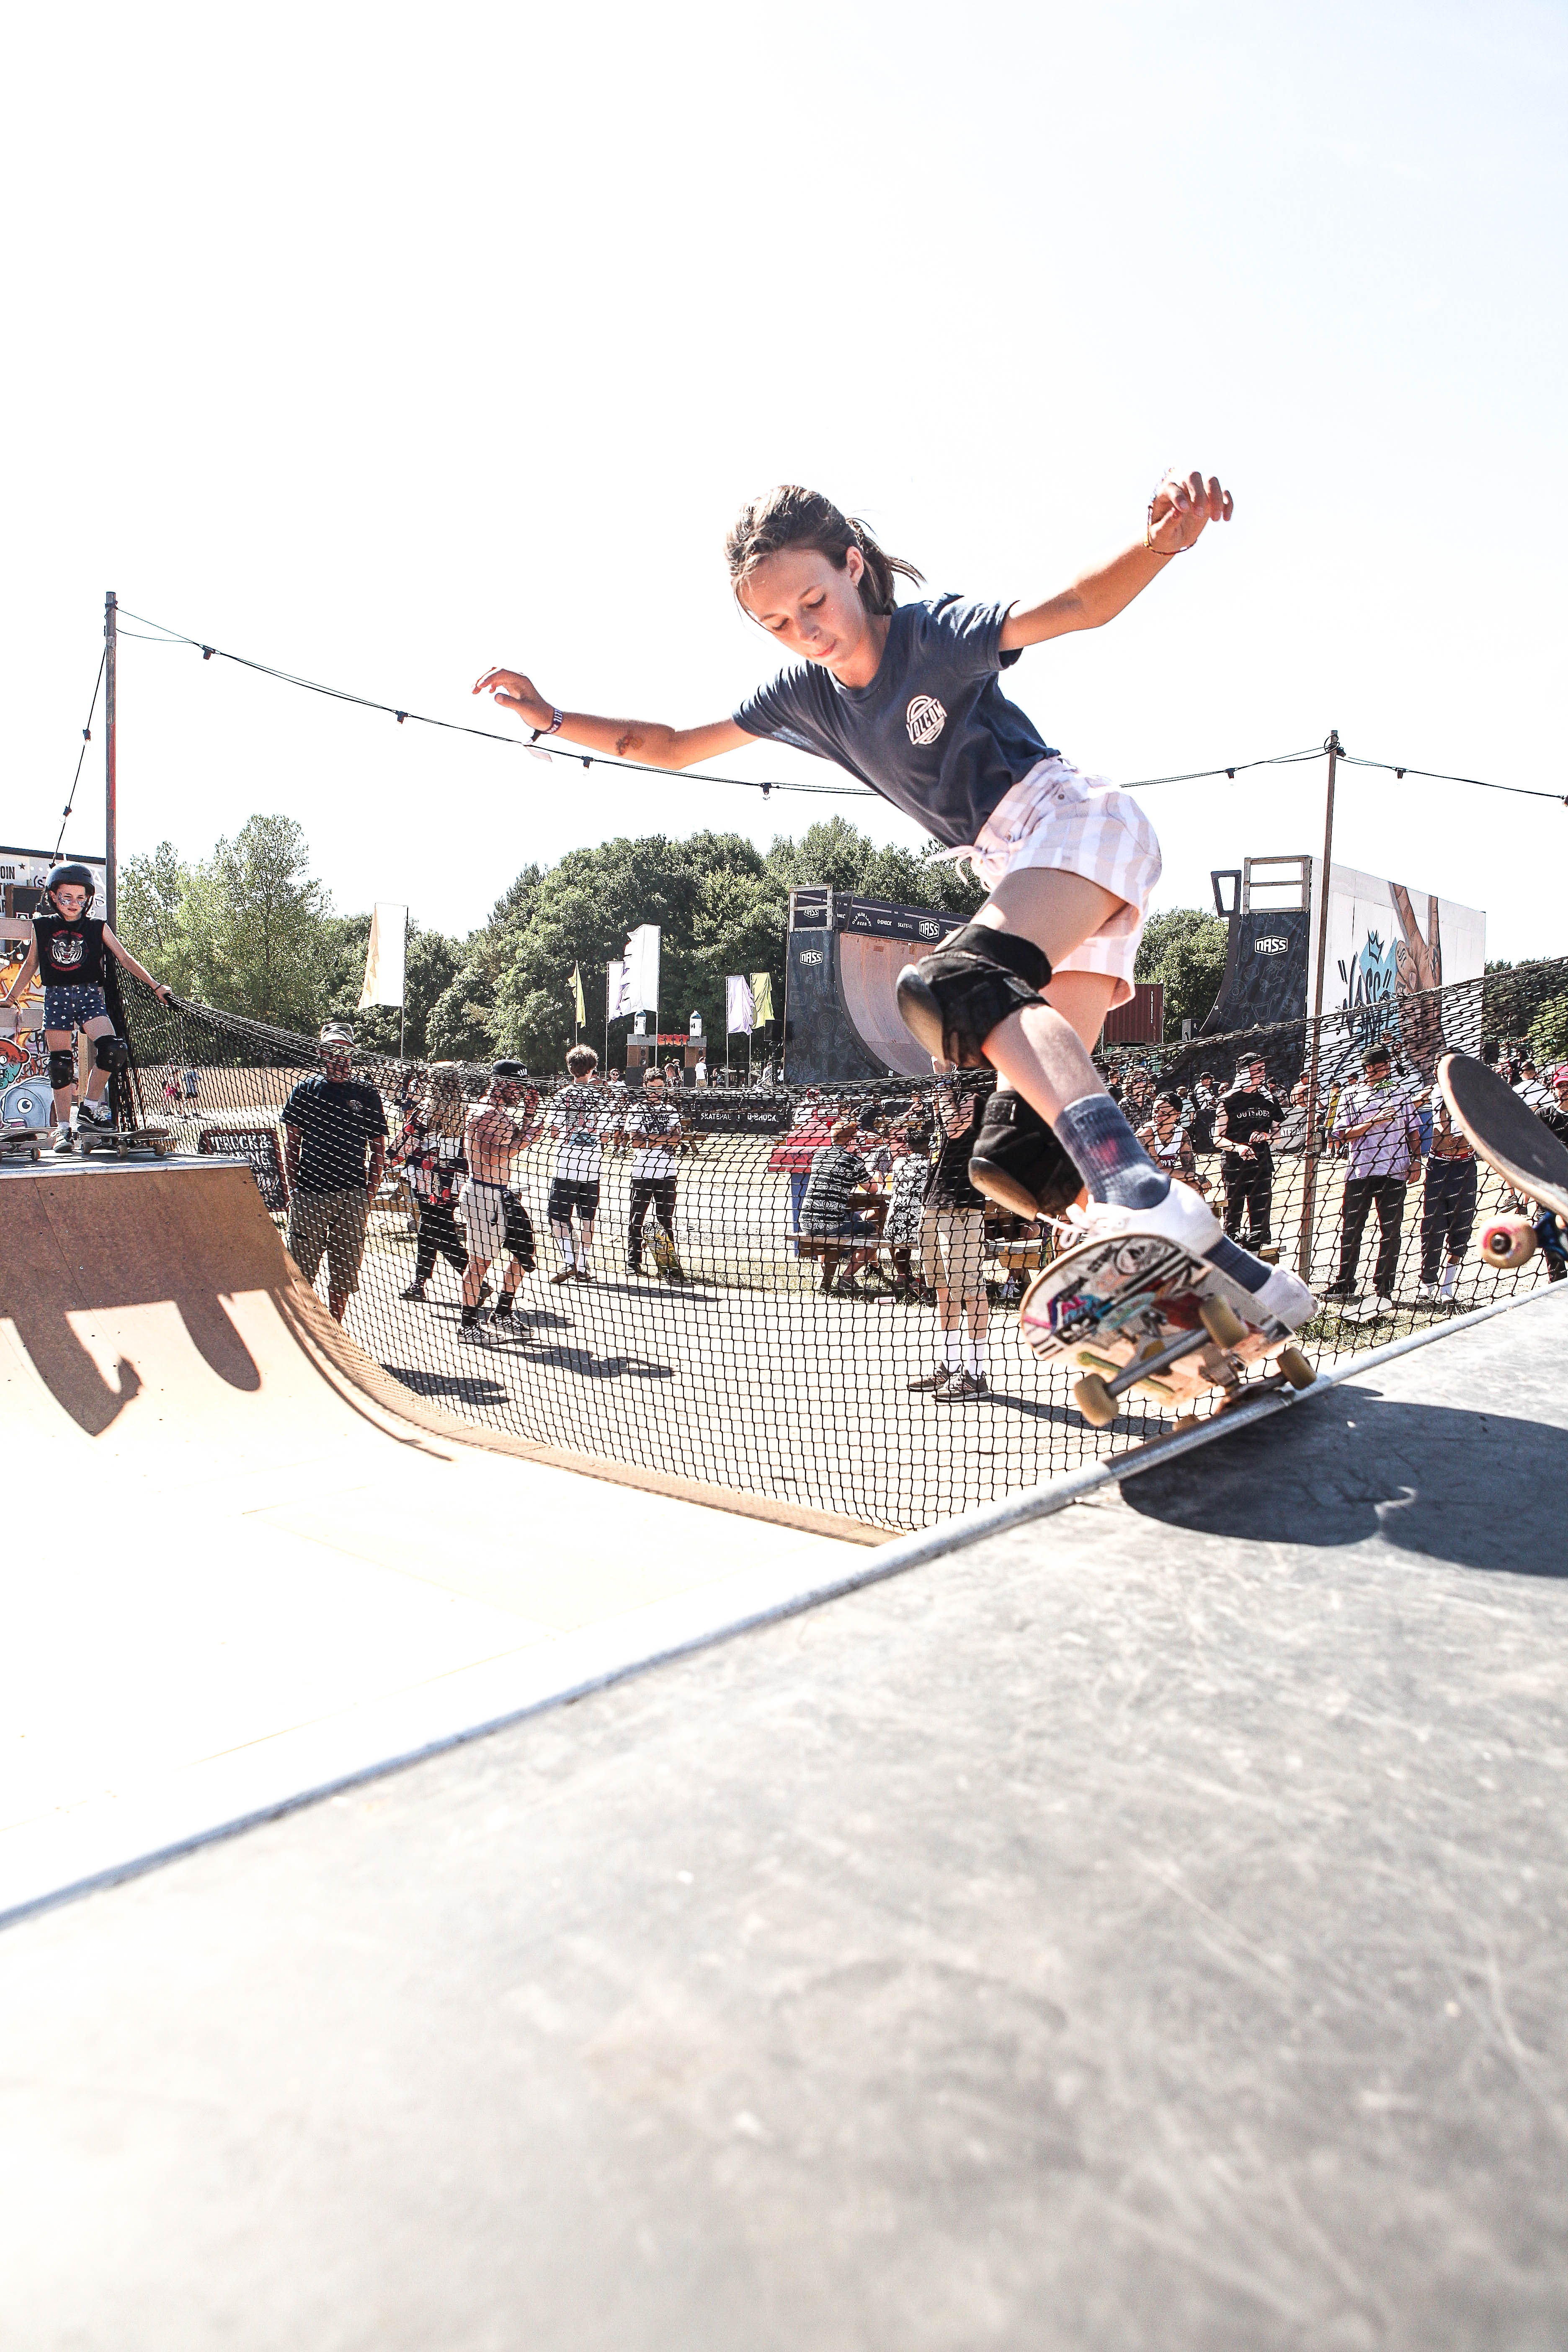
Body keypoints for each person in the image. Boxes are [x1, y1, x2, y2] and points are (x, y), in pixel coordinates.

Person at [474, 469, 1315, 1346]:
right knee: (1012, 1158)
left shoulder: (930, 636)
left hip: (1075, 823)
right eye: (778, 624)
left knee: (952, 985)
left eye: (813, 602)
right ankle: (1236, 1288)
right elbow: (675, 746)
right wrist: (551, 717)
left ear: (852, 567)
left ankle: (1136, 1192)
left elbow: (1072, 606)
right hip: (1021, 868)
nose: (806, 632)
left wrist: (1156, 545)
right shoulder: (801, 697)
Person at [0, 861, 173, 1148]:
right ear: (54, 896)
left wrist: (155, 986)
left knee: (114, 1049)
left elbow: (125, 959)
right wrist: (10, 999)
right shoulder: (42, 926)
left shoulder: (96, 927)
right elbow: (31, 965)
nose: (74, 904)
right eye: (67, 897)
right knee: (61, 1064)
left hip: (90, 996)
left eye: (80, 898)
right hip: (57, 997)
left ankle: (89, 1109)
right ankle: (63, 1129)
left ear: (88, 899)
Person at [279, 1023, 387, 1323]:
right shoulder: (305, 1091)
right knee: (301, 1270)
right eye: (331, 1050)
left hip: (353, 1195)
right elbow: (292, 1144)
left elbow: (379, 1146)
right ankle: (308, 1330)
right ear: (321, 1053)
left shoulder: (366, 1092)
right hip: (310, 1194)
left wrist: (370, 1192)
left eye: (344, 1050)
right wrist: (292, 1190)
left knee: (345, 1272)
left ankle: (336, 1330)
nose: (338, 1057)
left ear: (352, 1054)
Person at [908, 1065, 992, 1401]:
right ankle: (949, 1365)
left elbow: (956, 1129)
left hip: (963, 1202)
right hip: (936, 1199)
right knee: (944, 1288)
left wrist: (942, 1080)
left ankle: (975, 1374)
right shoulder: (956, 1083)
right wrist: (942, 1083)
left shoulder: (981, 1080)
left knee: (970, 1289)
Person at [1324, 1042, 1424, 1321]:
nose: (1387, 1069)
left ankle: (1384, 1289)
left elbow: (1413, 1131)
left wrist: (1417, 1160)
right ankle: (1345, 1283)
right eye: (1382, 1065)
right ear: (1368, 1067)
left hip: (1395, 1171)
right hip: (1360, 1172)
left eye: (1388, 1064)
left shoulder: (1401, 1093)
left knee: (1391, 1231)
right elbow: (1341, 1135)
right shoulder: (1350, 1094)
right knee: (1351, 1229)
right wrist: (1373, 1122)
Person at [457, 1061, 539, 1339]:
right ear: (501, 1084)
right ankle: (468, 1326)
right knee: (480, 1263)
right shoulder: (487, 1114)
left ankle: (502, 1314)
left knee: (524, 1253)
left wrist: (529, 1115)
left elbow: (512, 1139)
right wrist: (529, 1138)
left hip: (501, 1194)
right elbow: (495, 1156)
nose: (521, 1092)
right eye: (518, 1086)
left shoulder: (500, 1113)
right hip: (484, 1196)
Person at [389, 1061, 471, 1302]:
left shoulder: (428, 1109)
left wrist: (388, 1159)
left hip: (428, 1179)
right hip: (454, 1180)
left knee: (438, 1230)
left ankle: (473, 1279)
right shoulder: (467, 1109)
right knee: (430, 1226)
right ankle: (419, 1282)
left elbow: (407, 1141)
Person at [546, 1044, 612, 1280]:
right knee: (587, 1218)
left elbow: (553, 1131)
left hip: (566, 1166)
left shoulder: (561, 1096)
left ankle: (569, 1262)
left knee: (557, 1216)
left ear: (570, 1068)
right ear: (593, 1069)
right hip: (592, 1167)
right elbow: (606, 1136)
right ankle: (582, 1266)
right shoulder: (603, 1099)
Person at [798, 1118, 880, 1293]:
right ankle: (847, 1278)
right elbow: (873, 1189)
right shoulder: (853, 1162)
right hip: (831, 1225)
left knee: (852, 1220)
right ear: (850, 1141)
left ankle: (825, 1278)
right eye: (857, 1139)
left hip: (806, 1221)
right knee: (876, 1233)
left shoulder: (819, 1155)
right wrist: (859, 1161)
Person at [1215, 1055, 1284, 1256]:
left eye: (1263, 1069)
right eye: (1257, 1070)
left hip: (1261, 1164)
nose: (1262, 1074)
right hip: (1234, 1166)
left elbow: (1277, 1136)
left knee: (1261, 1213)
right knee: (1233, 1212)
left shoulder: (1268, 1100)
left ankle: (1258, 1253)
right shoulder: (1227, 1101)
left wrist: (1266, 1136)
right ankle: (1230, 1252)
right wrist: (1238, 1148)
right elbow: (1217, 1139)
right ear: (1244, 1073)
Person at [624, 1065, 686, 1279]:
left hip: (667, 1173)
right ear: (645, 1086)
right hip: (642, 1174)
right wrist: (664, 1139)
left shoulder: (671, 1111)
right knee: (637, 1219)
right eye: (652, 1087)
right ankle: (633, 1263)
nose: (656, 1092)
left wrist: (651, 1139)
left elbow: (677, 1139)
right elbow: (635, 1142)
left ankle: (669, 1265)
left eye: (660, 1087)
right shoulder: (636, 1111)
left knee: (665, 1221)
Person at [1417, 1094, 1477, 1303]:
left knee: (1461, 1227)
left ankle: (1447, 1288)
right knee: (1433, 1227)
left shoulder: (1473, 1097)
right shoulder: (1435, 1093)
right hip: (1439, 1167)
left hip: (1465, 1167)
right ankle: (1427, 1285)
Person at [1137, 1093, 1209, 1196]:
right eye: (1156, 1111)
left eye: (1164, 1113)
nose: (1158, 1116)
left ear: (1177, 1116)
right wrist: (1195, 1177)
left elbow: (1189, 1168)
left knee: (1196, 1188)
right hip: (1141, 1183)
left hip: (1164, 1181)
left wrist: (1190, 1176)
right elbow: (1158, 1171)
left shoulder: (1182, 1134)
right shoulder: (1146, 1134)